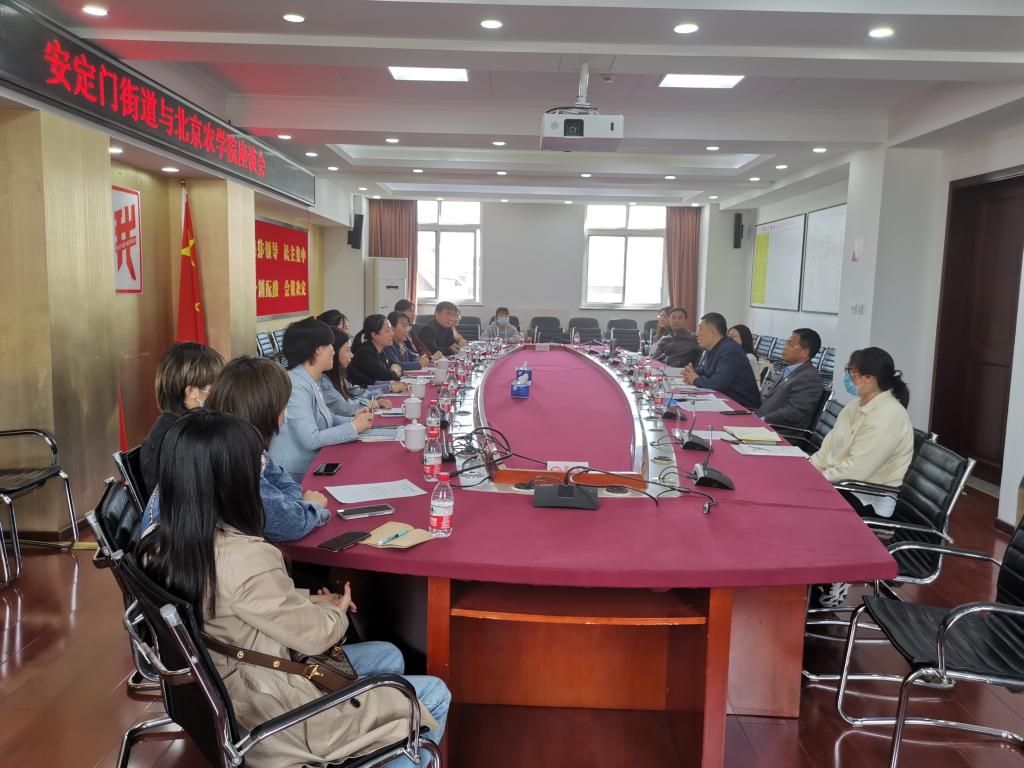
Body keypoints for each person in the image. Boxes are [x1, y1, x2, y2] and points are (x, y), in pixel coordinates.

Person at [140, 411, 449, 768]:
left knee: (389, 656)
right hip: (271, 714)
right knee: (434, 695)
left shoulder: (158, 542)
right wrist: (335, 610)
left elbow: (237, 603)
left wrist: (311, 599)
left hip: (231, 687)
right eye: (254, 465)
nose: (260, 471)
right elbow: (318, 637)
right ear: (231, 481)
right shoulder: (244, 557)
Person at [142, 356, 330, 542]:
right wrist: (311, 506)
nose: (285, 413)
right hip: (181, 555)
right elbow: (286, 523)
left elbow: (282, 487)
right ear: (266, 411)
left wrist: (288, 504)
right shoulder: (225, 450)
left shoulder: (237, 439)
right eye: (283, 406)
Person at [808, 347, 914, 608]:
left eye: (851, 372)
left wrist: (816, 481)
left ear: (869, 378)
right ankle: (803, 579)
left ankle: (825, 580)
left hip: (868, 496)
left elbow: (856, 470)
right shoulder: (854, 407)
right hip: (840, 484)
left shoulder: (888, 416)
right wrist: (807, 471)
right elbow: (827, 450)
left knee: (803, 512)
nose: (848, 377)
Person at [270, 317, 373, 480]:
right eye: (330, 345)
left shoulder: (309, 379)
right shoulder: (296, 385)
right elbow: (310, 439)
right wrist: (353, 427)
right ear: (318, 349)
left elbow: (328, 417)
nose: (333, 351)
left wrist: (354, 420)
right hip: (293, 474)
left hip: (311, 464)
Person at [139, 341, 224, 499]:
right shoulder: (179, 437)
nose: (220, 393)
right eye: (215, 387)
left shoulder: (175, 425)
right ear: (191, 391)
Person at [681, 312, 761, 409]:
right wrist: (691, 372)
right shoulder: (714, 347)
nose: (696, 334)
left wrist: (695, 379)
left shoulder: (730, 351)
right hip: (724, 401)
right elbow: (706, 370)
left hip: (742, 407)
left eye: (700, 329)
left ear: (712, 332)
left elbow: (717, 384)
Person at [757, 329, 825, 431]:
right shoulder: (790, 370)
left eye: (790, 344)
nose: (785, 347)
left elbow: (794, 413)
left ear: (804, 352)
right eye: (786, 343)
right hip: (764, 425)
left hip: (779, 432)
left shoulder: (809, 378)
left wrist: (763, 419)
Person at [348, 315, 403, 388]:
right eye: (387, 330)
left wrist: (394, 371)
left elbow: (396, 364)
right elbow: (387, 376)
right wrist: (395, 372)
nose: (392, 334)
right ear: (374, 335)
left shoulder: (380, 351)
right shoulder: (365, 354)